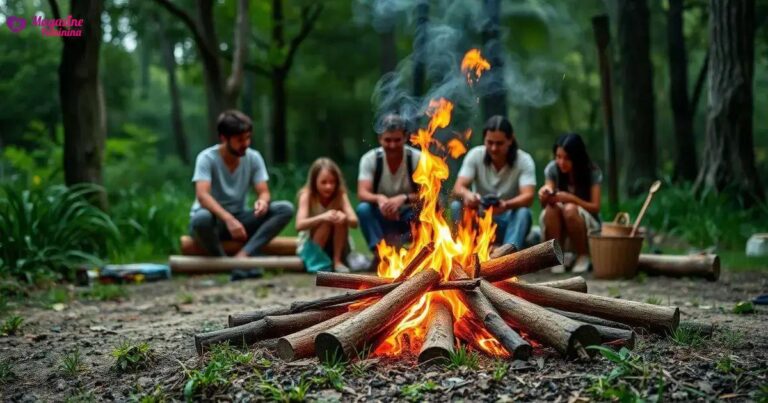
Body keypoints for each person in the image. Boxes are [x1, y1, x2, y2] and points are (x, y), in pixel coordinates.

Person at [189, 110, 294, 278]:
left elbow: (264, 191)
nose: (246, 143)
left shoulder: (253, 157)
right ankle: (226, 263)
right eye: (240, 140)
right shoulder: (206, 158)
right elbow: (203, 197)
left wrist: (262, 202)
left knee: (284, 208)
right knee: (201, 218)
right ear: (224, 138)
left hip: (240, 219)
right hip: (213, 221)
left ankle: (244, 256)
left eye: (248, 138)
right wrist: (228, 219)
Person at [451, 115, 536, 249]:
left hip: (509, 220)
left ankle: (508, 254)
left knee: (523, 213)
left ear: (510, 140)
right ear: (484, 139)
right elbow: (458, 187)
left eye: (499, 143)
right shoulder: (475, 155)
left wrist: (506, 205)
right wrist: (469, 196)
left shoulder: (524, 160)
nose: (494, 148)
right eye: (490, 142)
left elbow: (529, 196)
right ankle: (467, 251)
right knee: (457, 206)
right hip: (481, 218)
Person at [356, 113, 421, 255]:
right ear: (380, 139)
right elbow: (362, 193)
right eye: (388, 140)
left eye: (397, 140)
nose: (392, 145)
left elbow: (430, 194)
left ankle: (418, 252)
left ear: (405, 138)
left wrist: (403, 199)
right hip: (381, 215)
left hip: (408, 215)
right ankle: (381, 254)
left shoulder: (417, 158)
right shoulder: (370, 159)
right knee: (363, 209)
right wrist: (380, 200)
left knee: (428, 208)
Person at [538, 133, 602, 273]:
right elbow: (545, 200)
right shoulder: (553, 169)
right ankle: (557, 257)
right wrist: (544, 194)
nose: (561, 162)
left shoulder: (592, 171)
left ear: (577, 158)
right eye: (558, 157)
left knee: (570, 209)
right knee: (551, 209)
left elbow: (596, 207)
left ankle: (582, 255)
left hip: (586, 221)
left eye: (566, 158)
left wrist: (571, 199)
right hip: (559, 219)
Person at [295, 158, 359, 272]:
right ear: (314, 182)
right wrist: (323, 217)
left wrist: (345, 217)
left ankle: (337, 261)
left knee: (339, 219)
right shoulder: (307, 195)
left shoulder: (340, 194)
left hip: (337, 245)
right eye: (323, 182)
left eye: (332, 182)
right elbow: (299, 225)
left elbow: (354, 222)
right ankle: (319, 261)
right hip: (312, 245)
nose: (328, 187)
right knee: (327, 222)